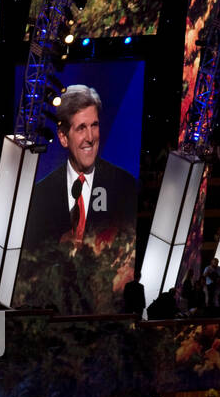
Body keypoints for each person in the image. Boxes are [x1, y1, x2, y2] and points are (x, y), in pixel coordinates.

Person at [19, 85, 138, 313]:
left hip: (108, 310)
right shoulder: (40, 195)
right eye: (81, 128)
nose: (90, 137)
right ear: (63, 137)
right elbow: (32, 265)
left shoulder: (124, 185)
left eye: (94, 125)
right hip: (56, 313)